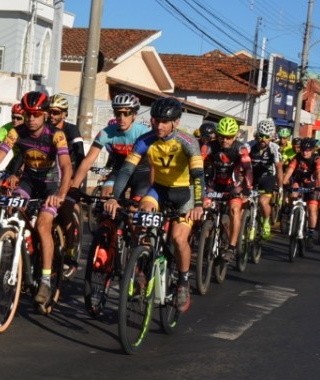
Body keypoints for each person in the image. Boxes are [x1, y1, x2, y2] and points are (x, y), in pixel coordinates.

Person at [0, 90, 71, 306]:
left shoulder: (56, 135)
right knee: (10, 211)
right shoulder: (16, 132)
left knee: (43, 225)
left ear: (45, 114)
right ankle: (19, 250)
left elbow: (65, 165)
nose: (31, 119)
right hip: (28, 181)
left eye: (36, 114)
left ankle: (45, 280)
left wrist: (61, 193)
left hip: (50, 184)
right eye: (28, 114)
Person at [106, 97, 205, 313]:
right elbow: (126, 170)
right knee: (141, 222)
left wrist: (198, 204)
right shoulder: (145, 140)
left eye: (164, 121)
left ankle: (183, 282)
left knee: (179, 239)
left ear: (175, 122)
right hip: (158, 190)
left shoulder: (188, 142)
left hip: (184, 193)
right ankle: (142, 265)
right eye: (155, 120)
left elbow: (198, 175)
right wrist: (114, 196)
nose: (158, 126)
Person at [68, 92, 149, 201]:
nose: (121, 118)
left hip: (141, 174)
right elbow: (88, 161)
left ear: (134, 115)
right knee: (105, 198)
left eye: (126, 113)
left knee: (134, 210)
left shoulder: (144, 132)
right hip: (119, 171)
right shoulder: (106, 133)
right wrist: (74, 187)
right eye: (118, 113)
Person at [46, 93, 85, 271]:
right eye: (50, 111)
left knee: (66, 209)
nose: (52, 115)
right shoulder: (44, 128)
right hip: (51, 174)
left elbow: (80, 154)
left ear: (64, 114)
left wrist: (72, 181)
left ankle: (70, 251)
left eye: (56, 112)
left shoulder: (71, 130)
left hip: (71, 173)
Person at [205, 117, 253, 259]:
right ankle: (202, 237)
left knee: (234, 209)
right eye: (221, 137)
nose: (225, 140)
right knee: (203, 208)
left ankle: (231, 247)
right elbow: (197, 164)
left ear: (235, 136)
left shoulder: (240, 149)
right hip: (214, 184)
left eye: (229, 137)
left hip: (234, 185)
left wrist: (246, 188)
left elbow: (248, 169)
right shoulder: (208, 147)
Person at [247, 119, 283, 240]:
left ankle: (266, 222)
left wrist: (280, 186)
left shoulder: (274, 148)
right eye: (261, 136)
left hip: (268, 178)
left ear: (271, 137)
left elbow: (278, 167)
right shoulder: (249, 145)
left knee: (263, 202)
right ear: (257, 135)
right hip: (252, 177)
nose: (263, 139)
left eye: (266, 137)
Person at [281, 137, 320, 239]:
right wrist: (284, 182)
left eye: (308, 150)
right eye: (303, 149)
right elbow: (290, 171)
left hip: (311, 183)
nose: (305, 152)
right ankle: (289, 211)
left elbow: (318, 172)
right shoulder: (296, 158)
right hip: (298, 181)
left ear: (312, 150)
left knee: (312, 209)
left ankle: (311, 232)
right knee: (292, 193)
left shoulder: (317, 159)